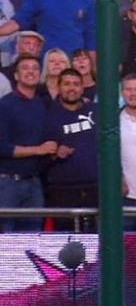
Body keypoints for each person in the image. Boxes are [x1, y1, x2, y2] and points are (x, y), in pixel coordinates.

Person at [0, 54, 54, 231]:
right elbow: (3, 148)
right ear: (15, 75)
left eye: (35, 68)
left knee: (32, 242)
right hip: (8, 184)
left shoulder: (42, 104)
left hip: (35, 183)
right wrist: (39, 150)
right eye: (25, 68)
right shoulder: (5, 105)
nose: (30, 72)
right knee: (6, 241)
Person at [41, 68, 97, 230]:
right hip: (62, 190)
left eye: (76, 84)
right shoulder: (48, 115)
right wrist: (55, 154)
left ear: (82, 88)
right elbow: (41, 155)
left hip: (95, 188)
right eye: (67, 84)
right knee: (66, 243)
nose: (72, 88)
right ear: (58, 87)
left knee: (97, 242)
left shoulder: (95, 110)